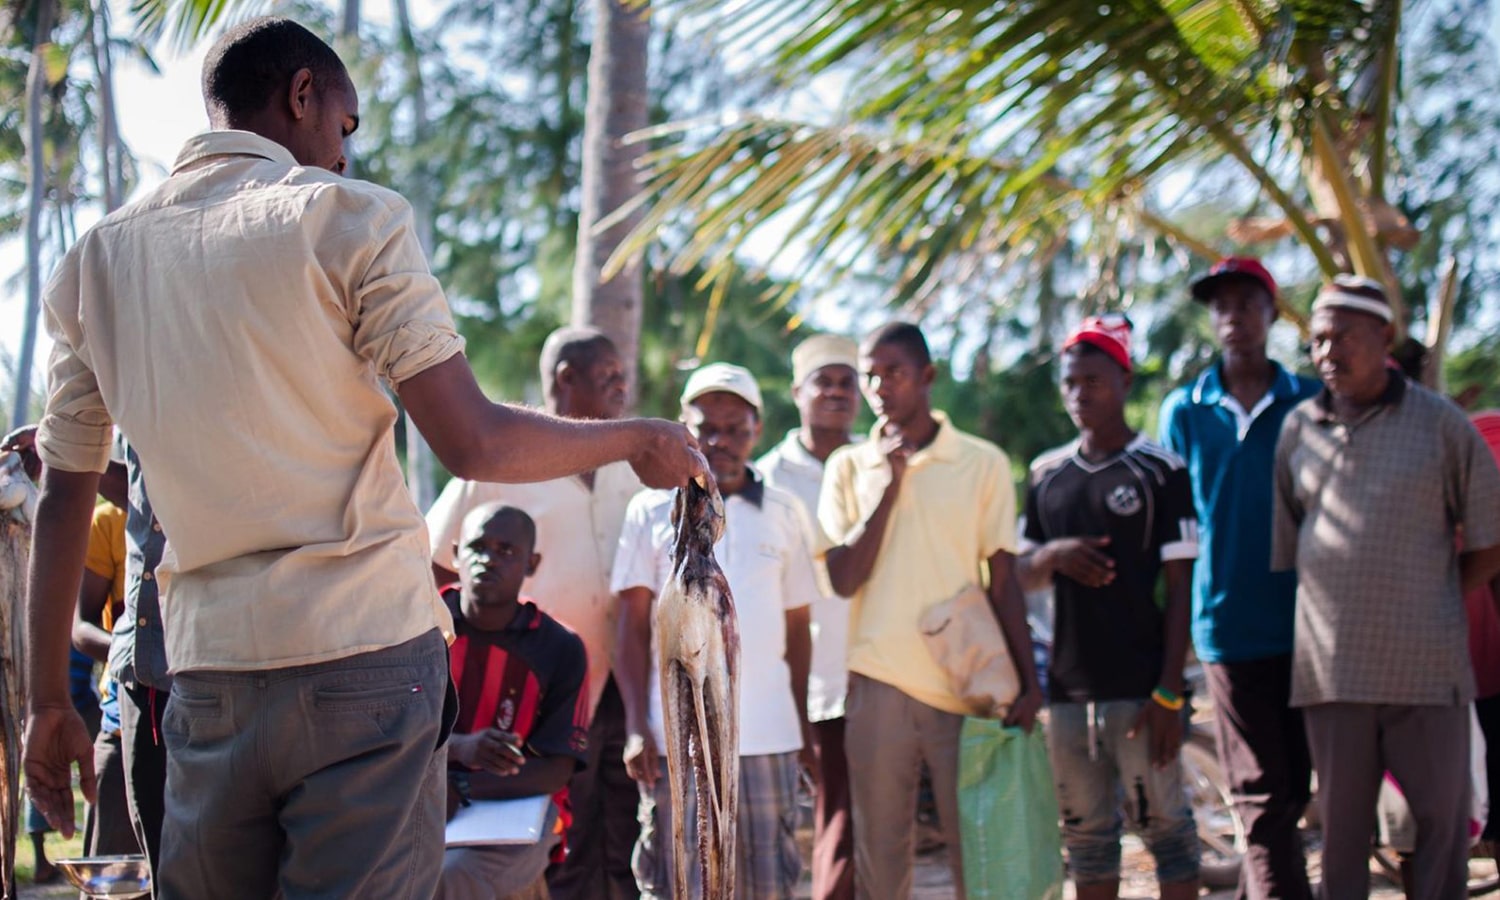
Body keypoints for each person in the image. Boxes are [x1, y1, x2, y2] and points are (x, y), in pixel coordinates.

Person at [21, 17, 702, 900]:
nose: (343, 154)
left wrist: (46, 700)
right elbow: (474, 440)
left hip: (207, 678)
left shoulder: (94, 262)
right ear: (302, 94)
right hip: (366, 665)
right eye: (343, 125)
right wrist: (639, 438)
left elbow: (62, 495)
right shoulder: (348, 216)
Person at [1272, 276, 1500, 900]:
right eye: (1317, 340)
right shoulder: (1299, 431)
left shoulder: (1444, 426)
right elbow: (1297, 546)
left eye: (1343, 336)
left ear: (1386, 338)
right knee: (1342, 842)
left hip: (1427, 674)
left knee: (1440, 835)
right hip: (1333, 677)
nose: (1327, 352)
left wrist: (1432, 597)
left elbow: (1490, 538)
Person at [817, 321, 1043, 899]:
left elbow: (1004, 580)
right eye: (870, 374)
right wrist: (888, 487)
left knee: (978, 849)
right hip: (877, 684)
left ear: (928, 377)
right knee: (882, 861)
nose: (878, 386)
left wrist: (1028, 681)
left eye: (893, 372)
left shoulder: (982, 462)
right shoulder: (848, 466)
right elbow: (843, 579)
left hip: (964, 683)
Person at [426, 326, 643, 900]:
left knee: (621, 828)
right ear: (566, 379)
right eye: (610, 377)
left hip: (625, 688)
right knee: (554, 841)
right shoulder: (502, 459)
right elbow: (436, 569)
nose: (624, 388)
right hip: (532, 693)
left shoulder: (634, 468)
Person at [613, 363, 818, 900]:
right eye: (707, 428)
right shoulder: (650, 508)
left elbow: (797, 632)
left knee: (767, 881)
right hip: (675, 740)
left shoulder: (785, 511)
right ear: (685, 427)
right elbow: (632, 629)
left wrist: (805, 732)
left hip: (769, 740)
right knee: (678, 881)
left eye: (736, 428)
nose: (720, 441)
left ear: (758, 429)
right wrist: (637, 726)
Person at [1017, 315, 1200, 900]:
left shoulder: (1162, 471)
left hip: (1144, 693)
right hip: (1068, 693)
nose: (1079, 394)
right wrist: (1056, 553)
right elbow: (1018, 574)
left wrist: (1170, 692)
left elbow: (1181, 589)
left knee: (1168, 831)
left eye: (1093, 381)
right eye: (1070, 382)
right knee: (1087, 838)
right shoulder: (1047, 475)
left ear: (1123, 381)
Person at [1157, 257, 1319, 900]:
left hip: (1309, 624)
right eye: (1221, 305)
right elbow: (1177, 527)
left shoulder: (1308, 398)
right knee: (1258, 790)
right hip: (1225, 626)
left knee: (1292, 784)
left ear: (1272, 313)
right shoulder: (1185, 410)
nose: (1233, 316)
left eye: (1247, 302)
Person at [437, 504, 591, 900]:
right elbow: (385, 732)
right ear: (455, 555)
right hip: (419, 796)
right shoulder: (419, 628)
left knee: (452, 875)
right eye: (477, 546)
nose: (488, 559)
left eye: (506, 550)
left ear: (531, 563)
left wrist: (462, 785)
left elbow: (557, 770)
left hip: (519, 807)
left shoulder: (560, 647)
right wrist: (459, 751)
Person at [757, 334, 860, 900]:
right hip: (807, 679)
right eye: (825, 381)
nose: (837, 393)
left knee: (862, 822)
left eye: (848, 382)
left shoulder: (879, 463)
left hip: (878, 667)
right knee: (835, 819)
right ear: (798, 392)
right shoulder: (766, 478)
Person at [72, 498, 144, 860]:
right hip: (122, 725)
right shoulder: (108, 521)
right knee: (113, 876)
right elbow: (81, 629)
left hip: (203, 725)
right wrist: (143, 653)